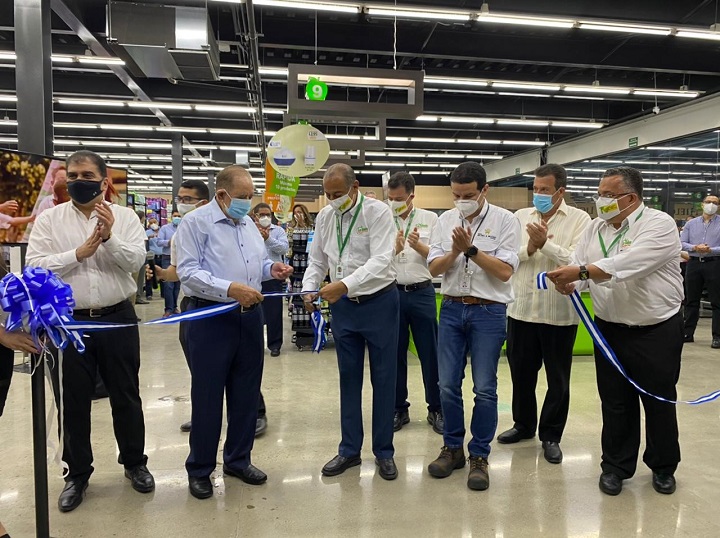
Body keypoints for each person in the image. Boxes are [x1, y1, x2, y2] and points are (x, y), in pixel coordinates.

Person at [26, 150, 153, 513]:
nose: (78, 181)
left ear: (103, 181)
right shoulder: (50, 220)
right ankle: (77, 474)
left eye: (86, 174)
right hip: (68, 322)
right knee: (72, 401)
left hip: (117, 317)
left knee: (126, 394)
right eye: (72, 174)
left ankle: (134, 463)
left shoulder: (126, 217)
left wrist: (109, 237)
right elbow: (35, 267)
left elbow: (135, 262)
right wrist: (77, 254)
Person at [547, 166, 683, 497]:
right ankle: (616, 466)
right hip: (609, 329)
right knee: (615, 401)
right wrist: (572, 282)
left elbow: (631, 264)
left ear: (631, 198)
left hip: (656, 328)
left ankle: (663, 466)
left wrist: (581, 272)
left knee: (658, 400)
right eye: (600, 193)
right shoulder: (596, 228)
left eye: (608, 195)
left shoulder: (659, 225)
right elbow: (581, 263)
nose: (600, 201)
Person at [175, 165, 292, 500]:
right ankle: (199, 468)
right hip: (211, 317)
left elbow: (255, 265)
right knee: (208, 397)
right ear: (222, 195)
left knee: (245, 395)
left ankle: (238, 460)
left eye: (250, 196)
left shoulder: (248, 226)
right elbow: (188, 273)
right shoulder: (196, 224)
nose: (248, 203)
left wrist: (272, 269)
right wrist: (230, 289)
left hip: (250, 318)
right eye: (243, 197)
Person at [302, 163, 400, 481]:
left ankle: (384, 452)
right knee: (348, 378)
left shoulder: (378, 212)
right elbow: (318, 258)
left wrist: (344, 284)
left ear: (354, 187)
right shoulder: (327, 217)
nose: (332, 200)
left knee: (384, 380)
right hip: (344, 308)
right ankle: (349, 450)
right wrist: (308, 286)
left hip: (379, 303)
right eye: (327, 194)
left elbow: (382, 258)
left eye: (338, 194)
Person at [426, 161, 520, 491]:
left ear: (484, 190)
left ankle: (479, 455)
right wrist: (454, 250)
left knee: (485, 387)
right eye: (455, 194)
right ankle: (452, 449)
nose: (461, 200)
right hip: (452, 309)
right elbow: (435, 269)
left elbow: (505, 271)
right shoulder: (444, 221)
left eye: (467, 195)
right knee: (447, 384)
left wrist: (472, 250)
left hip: (489, 312)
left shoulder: (506, 221)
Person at [497, 164, 591, 464]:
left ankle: (551, 435)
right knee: (521, 375)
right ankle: (523, 425)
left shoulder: (581, 220)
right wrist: (530, 246)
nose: (538, 195)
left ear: (560, 191)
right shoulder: (520, 217)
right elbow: (508, 256)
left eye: (545, 190)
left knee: (558, 379)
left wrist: (546, 245)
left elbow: (578, 260)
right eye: (535, 189)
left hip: (559, 315)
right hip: (521, 310)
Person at [385, 172, 443, 434]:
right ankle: (398, 408)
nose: (394, 203)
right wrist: (394, 249)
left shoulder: (431, 219)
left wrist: (420, 246)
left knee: (430, 352)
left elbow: (440, 259)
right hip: (390, 294)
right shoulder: (384, 218)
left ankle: (436, 408)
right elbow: (375, 259)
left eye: (399, 199)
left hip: (422, 293)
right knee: (394, 353)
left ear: (412, 196)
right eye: (391, 198)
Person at [680, 194, 720, 348]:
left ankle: (717, 336)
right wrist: (695, 248)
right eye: (708, 202)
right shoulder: (691, 224)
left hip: (714, 263)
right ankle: (687, 333)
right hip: (694, 264)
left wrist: (710, 250)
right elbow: (682, 243)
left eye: (715, 203)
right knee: (691, 300)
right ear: (702, 205)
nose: (711, 205)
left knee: (717, 301)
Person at [252, 203, 289, 357]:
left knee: (274, 313)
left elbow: (284, 249)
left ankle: (275, 345)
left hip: (273, 278)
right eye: (261, 214)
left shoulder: (278, 231)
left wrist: (268, 239)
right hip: (253, 278)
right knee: (253, 313)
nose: (265, 217)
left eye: (268, 214)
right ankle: (255, 345)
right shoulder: (247, 230)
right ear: (255, 215)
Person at [157, 210, 182, 317]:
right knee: (168, 285)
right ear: (171, 217)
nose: (177, 217)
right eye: (175, 216)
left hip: (180, 258)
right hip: (167, 258)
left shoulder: (184, 228)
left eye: (179, 216)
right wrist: (170, 241)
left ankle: (175, 307)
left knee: (177, 285)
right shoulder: (165, 228)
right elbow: (158, 242)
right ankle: (168, 309)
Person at [134, 209, 150, 305]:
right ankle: (138, 296)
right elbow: (144, 241)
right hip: (140, 256)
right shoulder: (139, 227)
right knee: (139, 278)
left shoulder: (133, 227)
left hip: (134, 255)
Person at [145, 218, 162, 300]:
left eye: (154, 222)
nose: (153, 224)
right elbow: (144, 241)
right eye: (151, 223)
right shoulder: (147, 233)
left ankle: (164, 293)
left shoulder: (162, 231)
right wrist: (148, 238)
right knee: (150, 274)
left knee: (162, 275)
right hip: (152, 257)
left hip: (162, 255)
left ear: (157, 222)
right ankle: (148, 294)